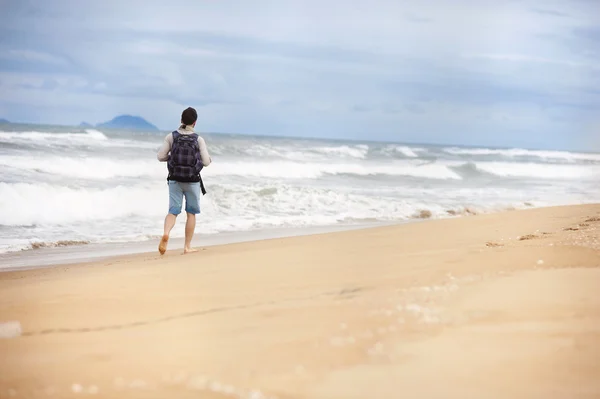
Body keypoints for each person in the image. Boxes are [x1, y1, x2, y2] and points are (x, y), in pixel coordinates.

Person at [156, 107, 212, 255]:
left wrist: (173, 158)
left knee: (173, 211)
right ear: (195, 122)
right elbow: (206, 162)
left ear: (181, 120)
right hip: (192, 181)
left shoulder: (171, 137)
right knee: (191, 213)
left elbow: (160, 156)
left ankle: (167, 233)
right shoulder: (198, 139)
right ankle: (187, 247)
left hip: (175, 179)